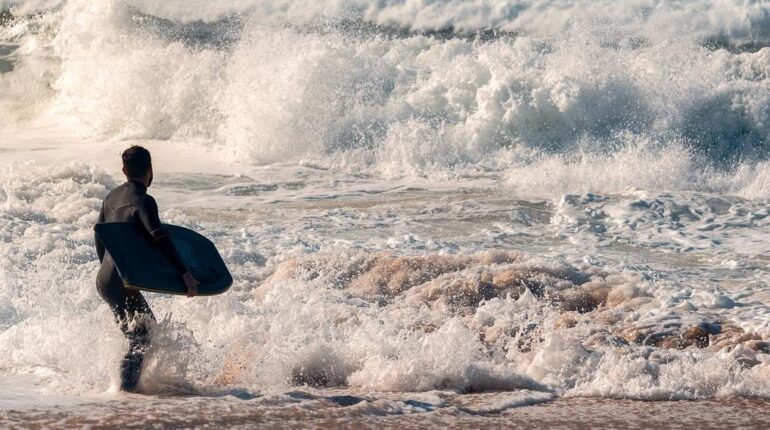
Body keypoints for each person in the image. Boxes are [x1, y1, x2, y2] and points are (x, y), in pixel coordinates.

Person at [94, 146, 199, 392]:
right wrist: (184, 272)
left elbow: (100, 236)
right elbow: (158, 236)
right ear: (150, 170)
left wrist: (114, 273)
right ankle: (123, 394)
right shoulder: (144, 200)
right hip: (120, 281)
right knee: (142, 336)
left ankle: (123, 390)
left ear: (124, 170)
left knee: (141, 333)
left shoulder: (110, 198)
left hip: (106, 279)